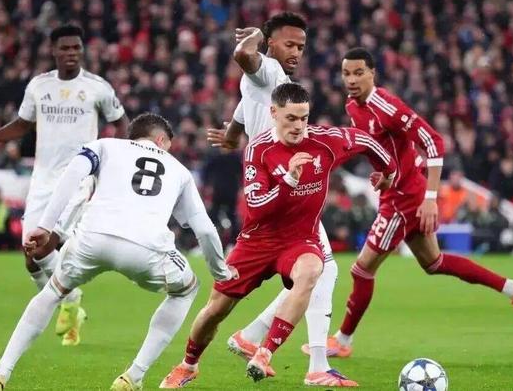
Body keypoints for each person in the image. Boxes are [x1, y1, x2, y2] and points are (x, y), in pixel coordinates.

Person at [0, 113, 234, 391]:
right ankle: (133, 376)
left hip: (92, 239)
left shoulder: (105, 146)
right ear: (161, 140)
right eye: (168, 145)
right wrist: (221, 271)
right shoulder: (179, 171)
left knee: (52, 291)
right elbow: (205, 230)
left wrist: (47, 227)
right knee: (186, 289)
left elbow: (73, 176)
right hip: (146, 249)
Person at [160, 83, 396, 388]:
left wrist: (387, 171)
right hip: (257, 241)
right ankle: (188, 365)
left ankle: (264, 353)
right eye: (291, 118)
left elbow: (365, 140)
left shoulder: (325, 141)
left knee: (313, 269)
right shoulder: (259, 149)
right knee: (215, 310)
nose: (298, 126)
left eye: (304, 118)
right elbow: (256, 207)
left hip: (299, 240)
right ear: (274, 113)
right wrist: (289, 180)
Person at [308, 47, 513, 360]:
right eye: (346, 73)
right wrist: (386, 174)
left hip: (404, 200)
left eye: (359, 73)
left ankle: (343, 340)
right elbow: (391, 149)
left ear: (373, 74)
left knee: (362, 270)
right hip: (398, 189)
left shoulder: (387, 106)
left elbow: (433, 141)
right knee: (434, 263)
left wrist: (430, 198)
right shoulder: (352, 105)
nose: (351, 79)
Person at [0, 24, 130, 346]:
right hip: (42, 179)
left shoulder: (97, 87)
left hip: (78, 179)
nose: (71, 53)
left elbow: (120, 121)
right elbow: (23, 125)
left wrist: (115, 158)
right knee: (30, 256)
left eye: (76, 48)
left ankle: (70, 300)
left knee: (44, 247)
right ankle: (70, 303)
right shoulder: (39, 86)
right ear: (53, 51)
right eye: (65, 48)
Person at [206, 12, 346, 386]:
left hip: (276, 189)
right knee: (321, 270)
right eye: (289, 44)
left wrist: (232, 136)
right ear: (271, 43)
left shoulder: (270, 83)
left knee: (316, 272)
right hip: (281, 189)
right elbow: (243, 55)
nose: (296, 51)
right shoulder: (267, 70)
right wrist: (252, 36)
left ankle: (251, 336)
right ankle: (316, 366)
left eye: (301, 45)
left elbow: (242, 110)